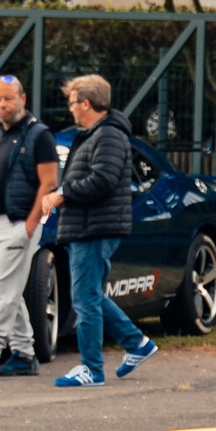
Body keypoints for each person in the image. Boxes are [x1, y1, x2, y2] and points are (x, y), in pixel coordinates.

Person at [53, 75, 158, 388]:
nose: (70, 110)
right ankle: (137, 343)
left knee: (84, 299)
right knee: (91, 294)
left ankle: (92, 369)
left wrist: (63, 193)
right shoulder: (96, 134)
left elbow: (103, 180)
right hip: (89, 226)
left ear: (86, 103)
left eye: (72, 103)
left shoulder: (108, 136)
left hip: (94, 228)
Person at [0, 72, 59, 379]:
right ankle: (24, 354)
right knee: (8, 293)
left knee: (3, 293)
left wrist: (30, 224)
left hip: (16, 225)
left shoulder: (39, 134)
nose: (2, 105)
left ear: (23, 99)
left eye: (8, 98)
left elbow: (50, 182)